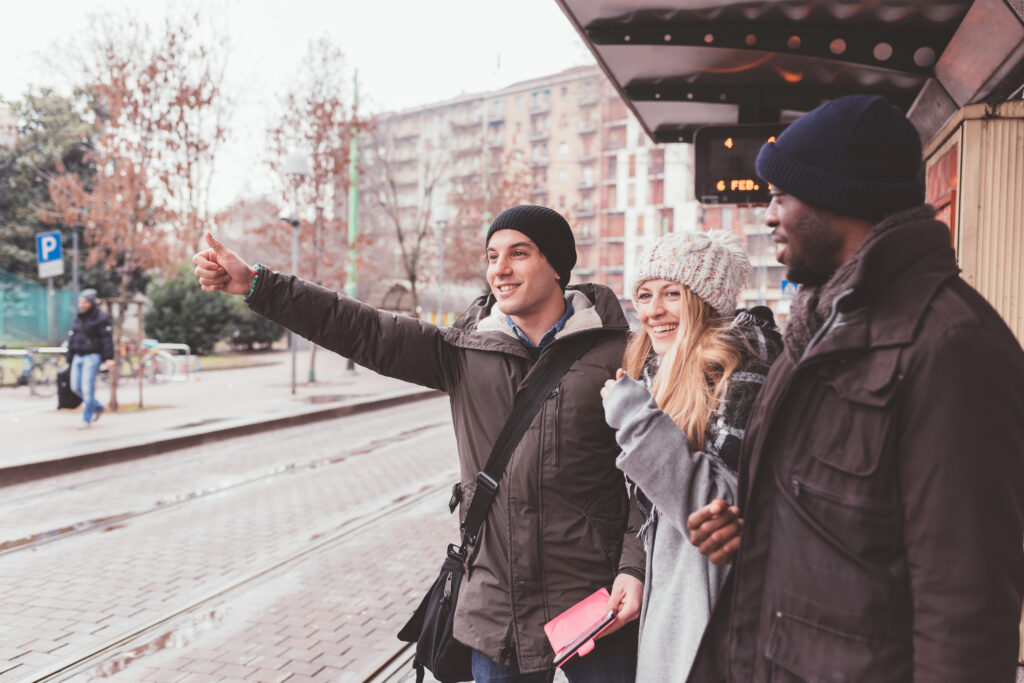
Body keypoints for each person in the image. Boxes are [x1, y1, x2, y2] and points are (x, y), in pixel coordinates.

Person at [193, 204, 645, 682]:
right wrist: (259, 285)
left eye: (519, 253)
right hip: (498, 608)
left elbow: (645, 478)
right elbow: (360, 327)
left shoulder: (620, 354)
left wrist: (633, 567)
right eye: (492, 256)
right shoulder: (462, 352)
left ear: (557, 265)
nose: (501, 269)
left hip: (596, 600)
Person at [685, 95, 1024, 682]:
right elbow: (858, 531)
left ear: (835, 198)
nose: (768, 216)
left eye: (779, 196)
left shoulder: (951, 346)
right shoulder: (817, 330)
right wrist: (758, 531)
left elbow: (965, 605)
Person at [599, 230, 782, 681]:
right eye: (644, 294)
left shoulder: (743, 369)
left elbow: (719, 507)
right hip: (674, 599)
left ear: (706, 300)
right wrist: (635, 569)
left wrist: (636, 422)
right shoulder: (657, 371)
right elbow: (656, 511)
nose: (652, 310)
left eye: (671, 294)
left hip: (714, 606)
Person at [66, 288, 114, 429]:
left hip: (92, 356)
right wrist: (69, 354)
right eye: (81, 302)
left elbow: (106, 339)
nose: (82, 305)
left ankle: (86, 419)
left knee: (87, 388)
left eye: (85, 302)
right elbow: (72, 336)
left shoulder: (101, 317)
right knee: (75, 387)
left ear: (92, 303)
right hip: (78, 355)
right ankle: (97, 406)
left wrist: (108, 357)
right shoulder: (79, 316)